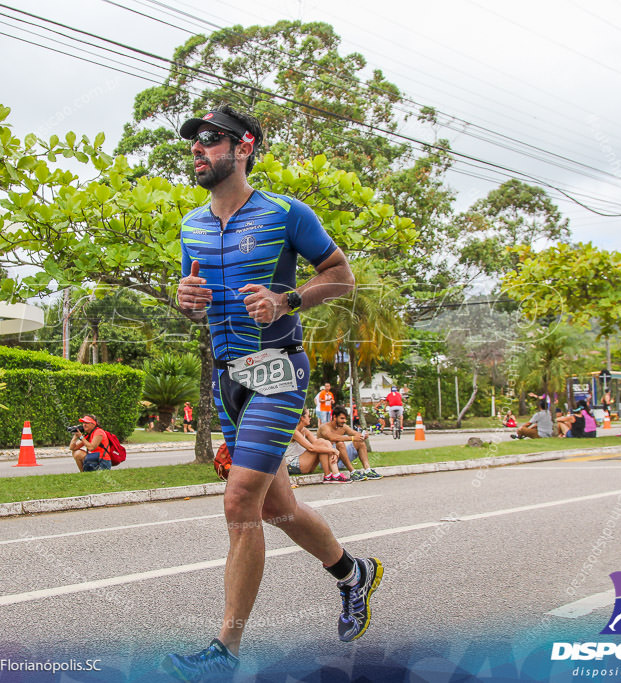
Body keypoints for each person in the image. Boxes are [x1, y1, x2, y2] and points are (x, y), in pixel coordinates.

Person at [172, 104, 382, 677]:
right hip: (228, 376)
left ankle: (225, 651)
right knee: (277, 507)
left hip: (276, 368)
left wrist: (286, 299)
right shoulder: (190, 224)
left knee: (241, 503)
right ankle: (351, 573)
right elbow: (194, 299)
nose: (198, 149)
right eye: (193, 142)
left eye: (211, 140)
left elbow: (341, 276)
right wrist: (187, 304)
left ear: (245, 147)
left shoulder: (286, 213)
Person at [318, 405, 382, 481]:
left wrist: (362, 436)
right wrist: (352, 438)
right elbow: (332, 437)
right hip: (327, 462)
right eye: (342, 418)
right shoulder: (324, 427)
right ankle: (352, 472)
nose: (344, 421)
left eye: (345, 419)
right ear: (334, 417)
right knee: (340, 443)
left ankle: (368, 470)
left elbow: (355, 434)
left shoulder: (343, 426)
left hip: (340, 460)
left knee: (359, 442)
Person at [284, 408, 348, 482]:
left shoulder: (305, 430)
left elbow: (320, 443)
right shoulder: (294, 431)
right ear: (302, 418)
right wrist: (333, 450)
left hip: (305, 464)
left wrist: (331, 450)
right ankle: (335, 474)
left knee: (324, 442)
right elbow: (311, 448)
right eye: (308, 416)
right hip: (294, 465)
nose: (310, 418)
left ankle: (329, 476)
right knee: (321, 443)